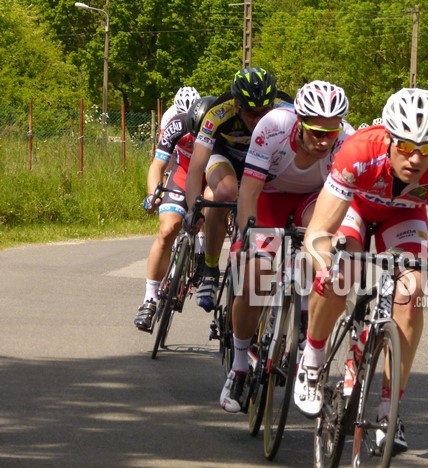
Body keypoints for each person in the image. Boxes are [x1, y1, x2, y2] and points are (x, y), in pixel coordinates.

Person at [294, 88, 428, 453]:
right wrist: (324, 265)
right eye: (406, 146)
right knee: (342, 273)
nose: (415, 158)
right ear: (390, 138)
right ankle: (312, 362)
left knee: (411, 294)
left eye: (426, 149)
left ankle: (387, 411)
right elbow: (317, 232)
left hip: (404, 216)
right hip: (355, 208)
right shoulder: (359, 151)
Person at [219, 80, 354, 412]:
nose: (324, 141)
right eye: (316, 132)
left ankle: (305, 317)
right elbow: (249, 191)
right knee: (254, 276)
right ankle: (239, 365)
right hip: (269, 196)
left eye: (331, 133)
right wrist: (249, 239)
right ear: (300, 122)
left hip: (313, 199)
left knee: (318, 246)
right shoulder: (274, 125)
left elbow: (342, 208)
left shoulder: (346, 141)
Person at [184, 68, 293, 313]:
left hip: (265, 159)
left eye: (265, 111)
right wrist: (194, 209)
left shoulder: (286, 109)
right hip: (225, 157)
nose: (258, 118)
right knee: (225, 192)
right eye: (252, 113)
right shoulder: (218, 113)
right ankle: (210, 270)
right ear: (237, 105)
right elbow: (195, 169)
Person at [133, 95, 217, 331]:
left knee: (211, 211)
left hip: (210, 178)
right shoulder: (177, 125)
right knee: (168, 229)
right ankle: (149, 299)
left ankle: (202, 256)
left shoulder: (221, 130)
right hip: (182, 177)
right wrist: (153, 195)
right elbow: (158, 165)